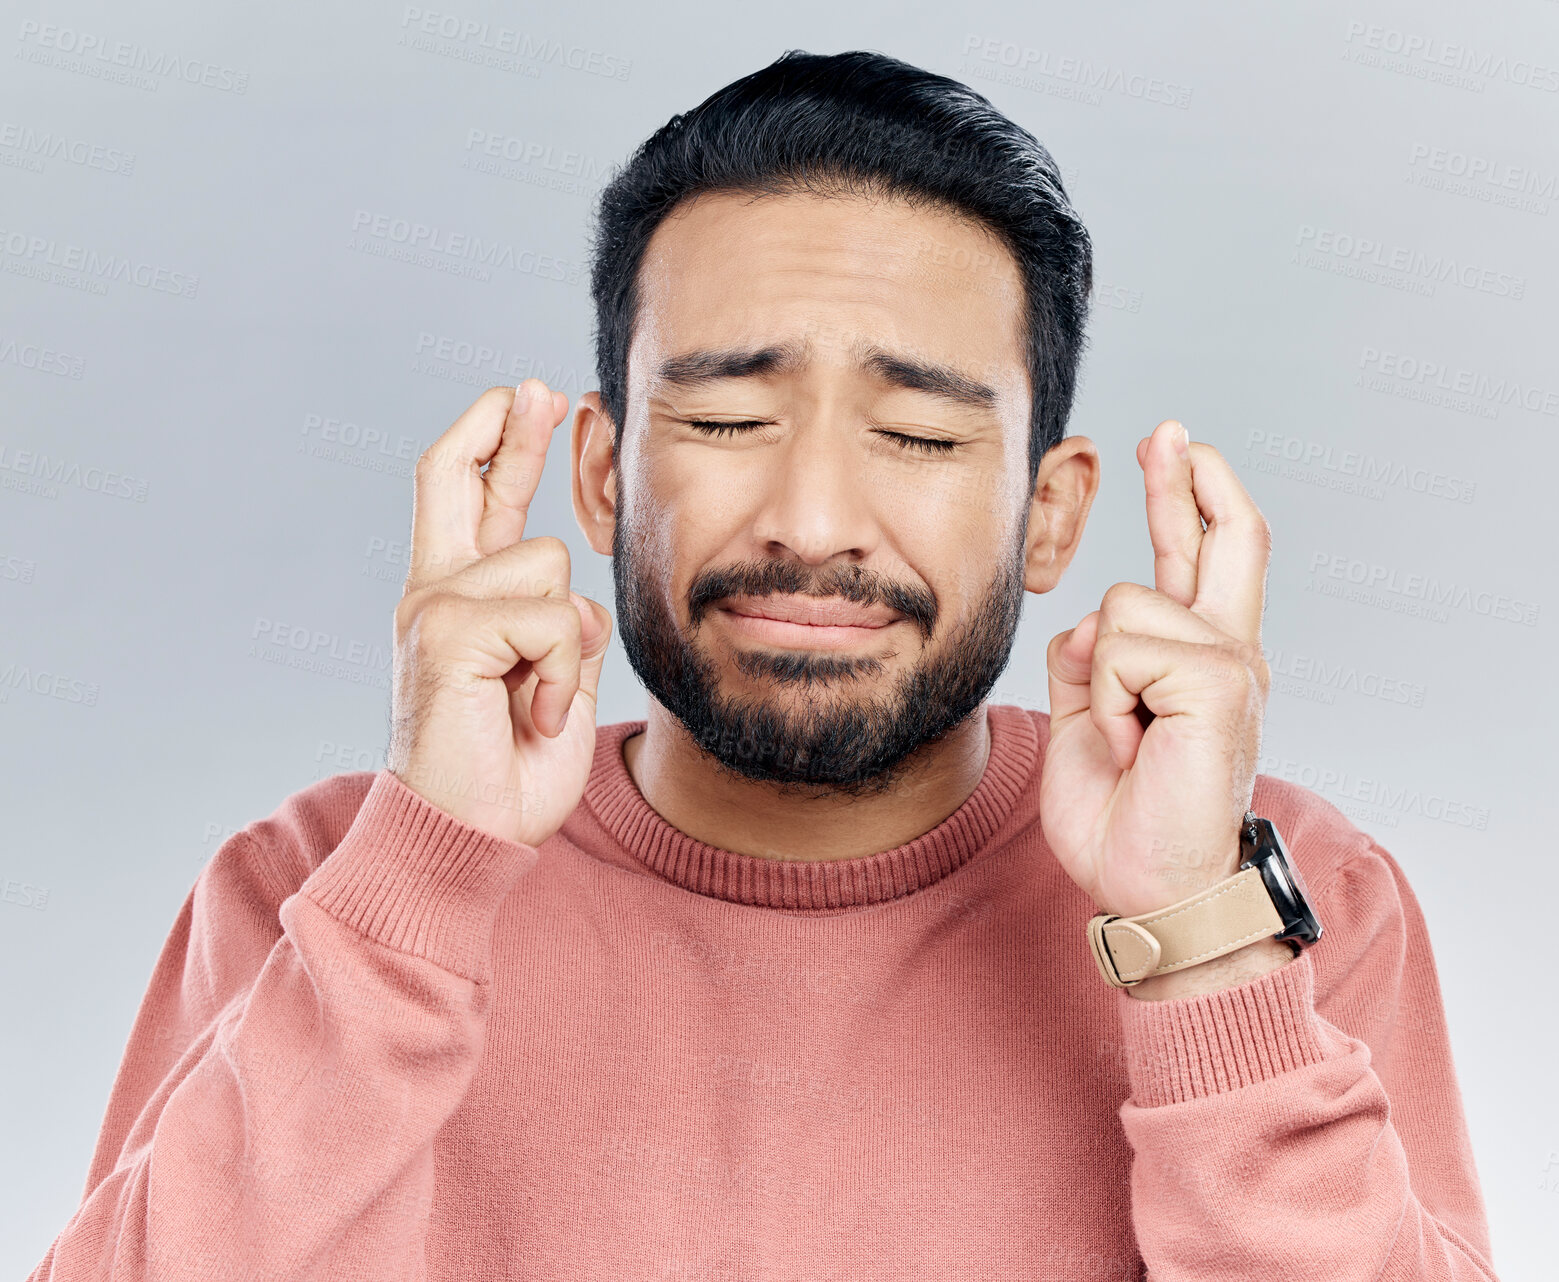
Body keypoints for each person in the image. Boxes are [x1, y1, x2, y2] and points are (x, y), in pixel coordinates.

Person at [30, 49, 1497, 1281]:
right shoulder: (315, 886)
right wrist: (424, 871)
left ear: (1049, 513)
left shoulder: (1285, 893)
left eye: (920, 435)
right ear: (603, 477)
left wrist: (1198, 946)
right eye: (728, 420)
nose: (810, 521)